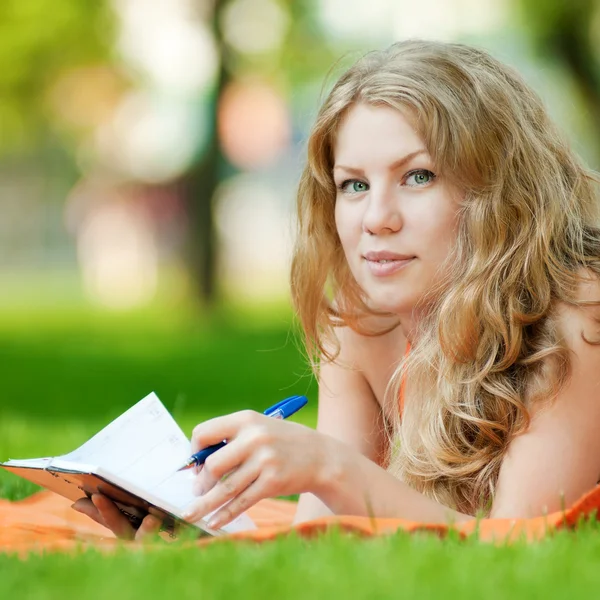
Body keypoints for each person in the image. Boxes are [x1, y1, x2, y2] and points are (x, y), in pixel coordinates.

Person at [73, 39, 600, 541]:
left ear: (499, 188)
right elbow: (326, 540)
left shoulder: (578, 319)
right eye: (354, 185)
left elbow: (520, 547)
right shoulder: (362, 322)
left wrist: (326, 465)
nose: (377, 218)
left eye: (418, 176)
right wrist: (195, 539)